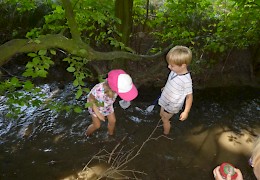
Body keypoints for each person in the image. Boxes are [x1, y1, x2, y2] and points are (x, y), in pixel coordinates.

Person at [85, 69, 138, 136]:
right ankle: (87, 134)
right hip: (95, 106)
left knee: (112, 121)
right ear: (113, 88)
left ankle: (110, 135)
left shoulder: (115, 87)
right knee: (97, 125)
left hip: (107, 105)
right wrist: (98, 113)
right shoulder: (99, 91)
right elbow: (90, 98)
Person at [158, 45, 193, 135]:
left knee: (165, 118)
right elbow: (171, 80)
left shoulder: (186, 81)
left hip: (173, 104)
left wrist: (186, 112)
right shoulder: (174, 70)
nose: (169, 67)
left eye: (172, 65)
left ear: (183, 65)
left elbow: (189, 97)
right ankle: (164, 120)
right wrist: (166, 87)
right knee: (162, 114)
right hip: (166, 97)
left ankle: (165, 134)